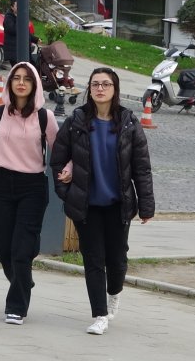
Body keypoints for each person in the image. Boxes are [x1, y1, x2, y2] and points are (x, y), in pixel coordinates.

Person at [49, 67, 155, 336]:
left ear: (114, 89)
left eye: (105, 84)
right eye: (95, 84)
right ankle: (99, 314)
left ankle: (115, 292)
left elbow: (142, 168)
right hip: (87, 205)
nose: (99, 89)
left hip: (118, 204)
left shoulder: (129, 123)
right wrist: (66, 192)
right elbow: (58, 159)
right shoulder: (77, 121)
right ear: (89, 89)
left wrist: (146, 206)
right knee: (93, 260)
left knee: (117, 260)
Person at [0, 61, 60, 326]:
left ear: (35, 85)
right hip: (0, 186)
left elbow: (61, 152)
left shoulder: (46, 117)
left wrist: (67, 170)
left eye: (27, 79)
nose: (21, 83)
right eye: (16, 78)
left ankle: (16, 306)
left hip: (32, 187)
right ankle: (24, 281)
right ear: (10, 83)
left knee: (22, 249)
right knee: (0, 246)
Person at [2, 0, 39, 68]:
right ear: (12, 7)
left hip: (23, 50)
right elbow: (14, 30)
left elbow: (25, 33)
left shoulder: (21, 17)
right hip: (14, 52)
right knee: (18, 70)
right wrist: (19, 18)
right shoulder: (9, 18)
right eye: (17, 6)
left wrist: (35, 39)